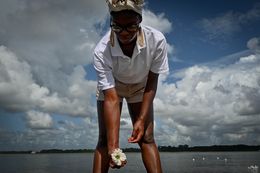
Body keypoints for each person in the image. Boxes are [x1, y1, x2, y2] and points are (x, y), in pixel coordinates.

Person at [92, 0, 169, 172]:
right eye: (117, 27)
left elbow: (152, 80)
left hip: (141, 86)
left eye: (131, 27)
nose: (124, 33)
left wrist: (141, 120)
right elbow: (111, 98)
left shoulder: (157, 40)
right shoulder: (101, 51)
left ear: (139, 22)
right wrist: (114, 148)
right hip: (113, 88)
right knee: (104, 141)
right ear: (111, 23)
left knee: (147, 137)